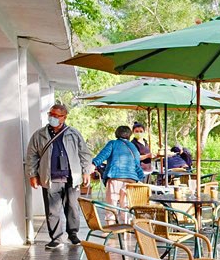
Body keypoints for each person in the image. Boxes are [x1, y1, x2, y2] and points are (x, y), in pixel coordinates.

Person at [25, 103, 91, 249]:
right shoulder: (39, 135)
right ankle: (56, 238)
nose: (52, 118)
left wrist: (86, 171)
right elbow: (31, 156)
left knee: (72, 208)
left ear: (64, 117)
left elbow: (84, 153)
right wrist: (32, 175)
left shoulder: (73, 133)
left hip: (71, 177)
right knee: (52, 210)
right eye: (51, 114)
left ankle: (73, 234)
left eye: (56, 116)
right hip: (50, 177)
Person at [92, 126, 146, 223]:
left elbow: (102, 155)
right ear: (129, 135)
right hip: (131, 180)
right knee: (125, 205)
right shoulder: (133, 147)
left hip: (115, 177)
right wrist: (140, 178)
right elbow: (137, 166)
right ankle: (125, 228)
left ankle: (110, 227)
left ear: (117, 133)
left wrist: (93, 164)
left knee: (111, 204)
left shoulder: (113, 143)